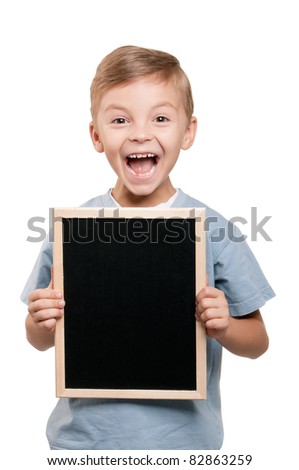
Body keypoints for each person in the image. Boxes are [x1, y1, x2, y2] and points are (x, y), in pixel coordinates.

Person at [21, 45, 275, 450]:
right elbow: (39, 337)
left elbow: (258, 342)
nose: (140, 133)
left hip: (184, 444)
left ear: (187, 131)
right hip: (82, 445)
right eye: (120, 120)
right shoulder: (72, 229)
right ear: (96, 135)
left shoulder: (215, 230)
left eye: (160, 118)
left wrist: (224, 326)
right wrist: (40, 319)